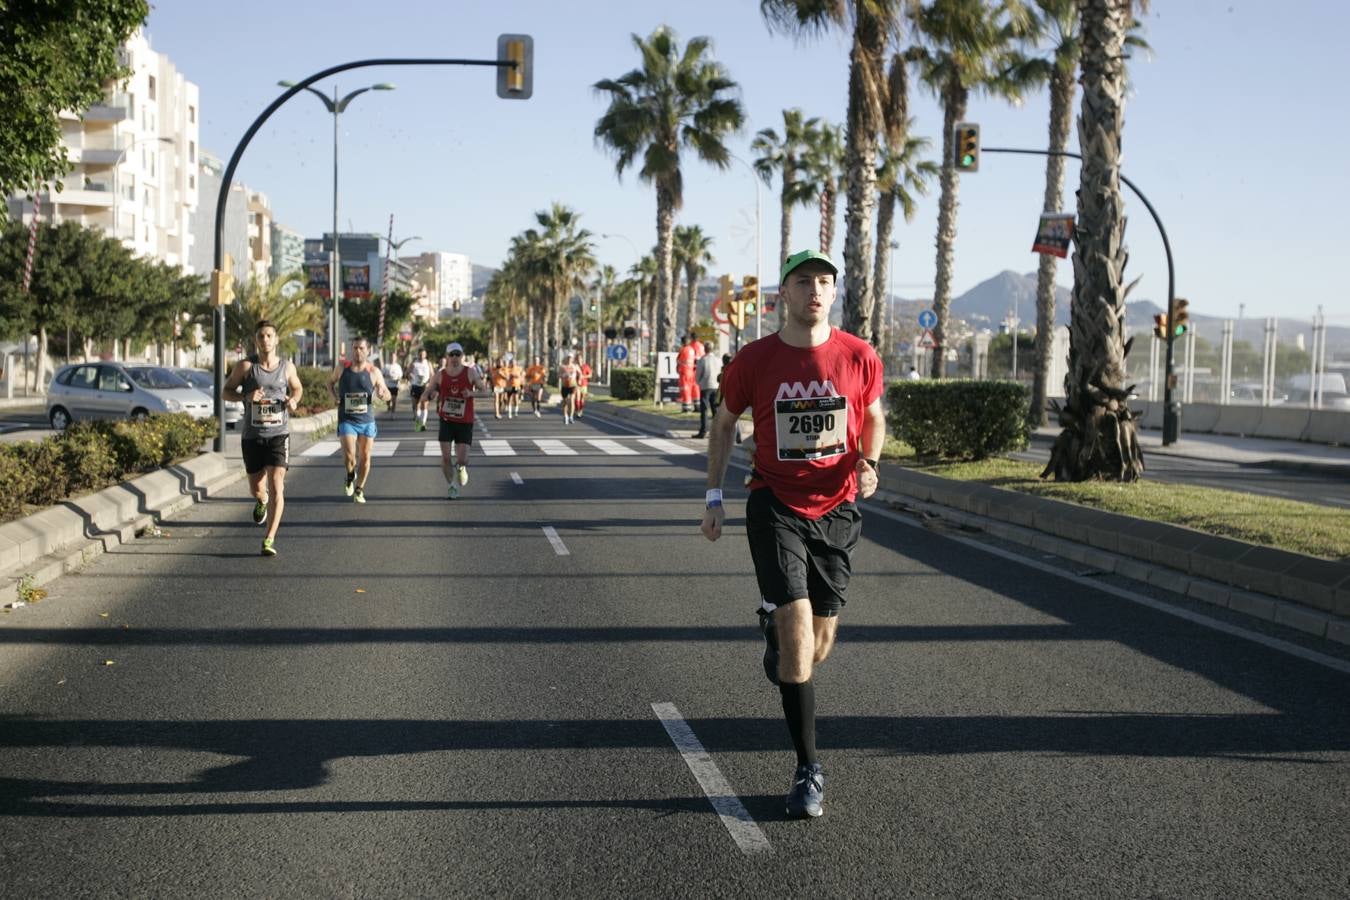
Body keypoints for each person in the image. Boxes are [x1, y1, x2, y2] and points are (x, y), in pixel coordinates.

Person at [700, 249, 885, 821]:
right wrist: (713, 496)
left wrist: (870, 463)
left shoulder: (859, 355)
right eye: (805, 280)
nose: (817, 290)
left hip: (838, 510)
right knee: (800, 631)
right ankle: (808, 768)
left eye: (825, 281)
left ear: (834, 294)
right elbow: (725, 425)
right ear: (784, 294)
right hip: (773, 502)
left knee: (817, 644)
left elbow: (875, 417)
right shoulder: (754, 360)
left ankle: (775, 633)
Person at [222, 320, 304, 557]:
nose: (265, 340)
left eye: (269, 335)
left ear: (276, 340)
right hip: (252, 436)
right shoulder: (246, 367)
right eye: (261, 336)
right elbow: (226, 392)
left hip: (279, 434)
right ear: (255, 340)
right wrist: (246, 396)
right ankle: (261, 501)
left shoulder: (287, 368)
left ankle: (269, 539)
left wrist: (294, 400)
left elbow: (297, 388)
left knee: (277, 484)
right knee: (257, 488)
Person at [328, 336, 392, 504]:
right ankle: (350, 475)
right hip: (347, 419)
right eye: (355, 348)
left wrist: (383, 394)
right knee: (350, 457)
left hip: (367, 421)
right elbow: (330, 383)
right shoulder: (342, 367)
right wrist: (334, 397)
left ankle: (359, 489)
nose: (357, 351)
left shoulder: (374, 372)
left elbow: (387, 393)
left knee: (365, 457)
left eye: (361, 348)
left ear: (368, 350)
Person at [421, 341, 486, 499]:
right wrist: (428, 396)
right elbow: (427, 393)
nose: (455, 357)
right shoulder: (440, 375)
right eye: (452, 354)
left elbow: (484, 391)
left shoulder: (470, 372)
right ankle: (452, 485)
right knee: (446, 457)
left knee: (462, 459)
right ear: (447, 357)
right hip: (447, 420)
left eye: (458, 354)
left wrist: (471, 394)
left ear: (462, 356)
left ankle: (461, 468)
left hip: (465, 421)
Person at [693, 341, 722, 439]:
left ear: (705, 349)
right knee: (715, 411)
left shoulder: (702, 360)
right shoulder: (718, 360)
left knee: (704, 410)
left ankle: (703, 431)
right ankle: (717, 432)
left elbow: (698, 375)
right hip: (716, 386)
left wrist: (699, 383)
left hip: (705, 387)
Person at [409, 348, 433, 431]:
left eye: (423, 354)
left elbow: (432, 374)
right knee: (415, 406)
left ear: (425, 355)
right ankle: (419, 422)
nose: (422, 356)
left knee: (424, 405)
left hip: (425, 386)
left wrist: (429, 383)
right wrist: (410, 376)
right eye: (420, 354)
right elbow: (407, 373)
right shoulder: (414, 363)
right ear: (418, 354)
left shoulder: (428, 363)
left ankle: (422, 424)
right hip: (415, 385)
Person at [677, 334, 700, 413]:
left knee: (685, 390)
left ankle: (686, 408)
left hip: (684, 372)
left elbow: (679, 360)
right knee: (693, 389)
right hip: (692, 372)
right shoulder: (692, 349)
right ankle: (697, 405)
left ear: (682, 342)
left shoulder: (683, 350)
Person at [558, 353, 581, 424]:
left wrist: (579, 380)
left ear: (572, 359)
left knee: (571, 400)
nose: (569, 359)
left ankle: (571, 416)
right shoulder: (562, 367)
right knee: (565, 402)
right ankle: (565, 416)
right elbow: (558, 375)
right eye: (568, 358)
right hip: (565, 386)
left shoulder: (575, 366)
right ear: (566, 358)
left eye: (570, 358)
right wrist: (563, 376)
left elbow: (580, 373)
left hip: (573, 385)